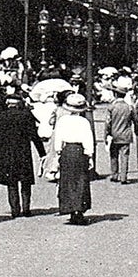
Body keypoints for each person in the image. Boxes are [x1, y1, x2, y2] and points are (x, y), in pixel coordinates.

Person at [0, 88, 44, 217]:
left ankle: (14, 210)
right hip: (23, 152)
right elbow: (34, 135)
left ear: (8, 104)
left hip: (6, 153)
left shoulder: (0, 116)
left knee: (11, 181)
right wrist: (42, 153)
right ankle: (26, 209)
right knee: (25, 181)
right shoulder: (26, 115)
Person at [48, 92, 95, 224]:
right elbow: (88, 139)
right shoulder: (84, 122)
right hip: (80, 151)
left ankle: (69, 207)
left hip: (66, 150)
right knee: (80, 180)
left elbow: (58, 139)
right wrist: (89, 155)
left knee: (67, 180)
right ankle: (79, 210)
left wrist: (58, 153)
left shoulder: (63, 121)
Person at [103, 85, 138, 184]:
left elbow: (107, 122)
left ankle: (114, 175)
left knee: (113, 155)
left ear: (116, 94)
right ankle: (124, 177)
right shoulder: (129, 107)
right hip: (126, 135)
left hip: (114, 135)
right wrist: (137, 130)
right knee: (124, 156)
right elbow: (136, 121)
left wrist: (106, 134)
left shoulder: (112, 107)